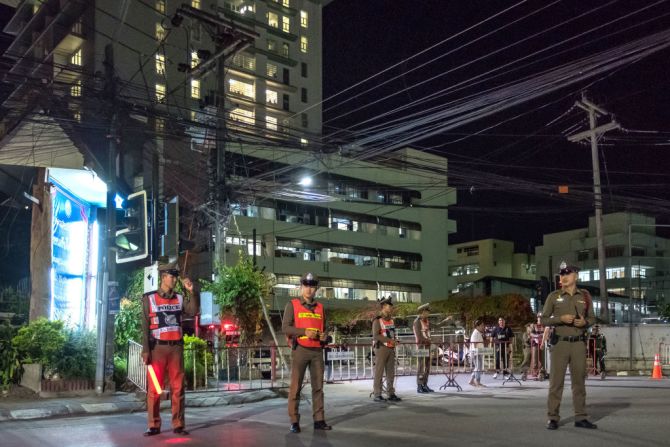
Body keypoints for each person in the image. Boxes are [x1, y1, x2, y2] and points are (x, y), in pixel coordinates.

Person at [141, 261, 200, 437]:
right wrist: (145, 350)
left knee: (178, 387)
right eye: (171, 276)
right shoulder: (149, 298)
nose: (174, 280)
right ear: (163, 277)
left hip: (176, 349)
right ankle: (153, 425)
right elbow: (144, 326)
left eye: (175, 276)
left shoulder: (180, 298)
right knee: (154, 389)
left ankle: (178, 424)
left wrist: (192, 292)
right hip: (156, 348)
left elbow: (193, 311)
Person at [541, 262, 597, 430]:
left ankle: (580, 417)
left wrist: (584, 322)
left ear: (576, 276)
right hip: (560, 344)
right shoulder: (553, 296)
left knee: (579, 382)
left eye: (567, 273)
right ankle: (553, 417)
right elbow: (543, 319)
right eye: (562, 274)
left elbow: (593, 318)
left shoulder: (585, 295)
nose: (563, 277)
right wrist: (560, 319)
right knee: (556, 383)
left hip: (578, 344)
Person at [282, 273, 332, 433]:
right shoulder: (293, 304)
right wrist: (304, 331)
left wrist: (325, 336)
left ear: (316, 288)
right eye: (306, 286)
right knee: (296, 387)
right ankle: (294, 421)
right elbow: (285, 328)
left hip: (317, 350)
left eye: (312, 286)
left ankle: (319, 419)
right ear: (301, 287)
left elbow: (325, 329)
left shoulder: (320, 308)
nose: (309, 289)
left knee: (318, 387)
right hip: (300, 350)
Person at [372, 296, 402, 402]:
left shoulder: (391, 321)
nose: (391, 308)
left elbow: (391, 334)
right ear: (384, 307)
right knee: (379, 372)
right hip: (381, 348)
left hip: (390, 348)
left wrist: (395, 340)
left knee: (391, 373)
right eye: (389, 306)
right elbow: (375, 335)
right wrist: (390, 340)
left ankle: (391, 393)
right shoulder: (377, 320)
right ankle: (377, 394)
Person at [413, 303, 434, 393]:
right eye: (426, 312)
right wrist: (428, 341)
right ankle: (419, 385)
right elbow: (419, 336)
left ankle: (425, 384)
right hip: (421, 346)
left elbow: (436, 325)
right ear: (422, 312)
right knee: (421, 367)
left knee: (427, 367)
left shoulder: (426, 321)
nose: (428, 314)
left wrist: (445, 321)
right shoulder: (417, 321)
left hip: (427, 346)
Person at [468, 319, 487, 387]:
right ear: (477, 326)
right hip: (476, 353)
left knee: (477, 367)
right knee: (478, 367)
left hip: (478, 352)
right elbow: (474, 344)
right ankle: (477, 381)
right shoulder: (476, 333)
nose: (483, 327)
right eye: (482, 325)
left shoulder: (478, 333)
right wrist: (475, 354)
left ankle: (472, 380)